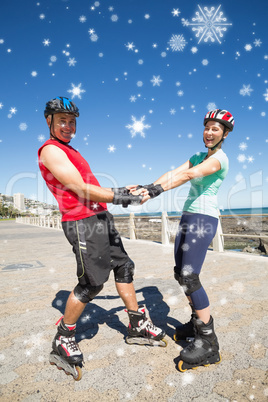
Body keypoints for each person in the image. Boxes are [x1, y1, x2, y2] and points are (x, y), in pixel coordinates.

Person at [38, 96, 166, 378]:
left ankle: (136, 324)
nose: (68, 126)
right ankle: (63, 338)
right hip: (81, 222)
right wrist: (122, 197)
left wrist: (121, 189)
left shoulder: (71, 150)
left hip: (99, 217)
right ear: (49, 121)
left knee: (124, 267)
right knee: (92, 282)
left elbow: (89, 186)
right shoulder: (50, 150)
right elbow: (75, 186)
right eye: (62, 121)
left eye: (72, 121)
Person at [134, 109, 234, 371]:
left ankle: (209, 342)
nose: (209, 132)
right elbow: (172, 173)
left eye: (215, 129)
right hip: (189, 216)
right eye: (207, 127)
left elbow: (190, 175)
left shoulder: (219, 159)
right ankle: (196, 322)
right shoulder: (198, 156)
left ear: (224, 133)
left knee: (191, 277)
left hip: (204, 219)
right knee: (181, 274)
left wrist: (156, 191)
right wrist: (148, 187)